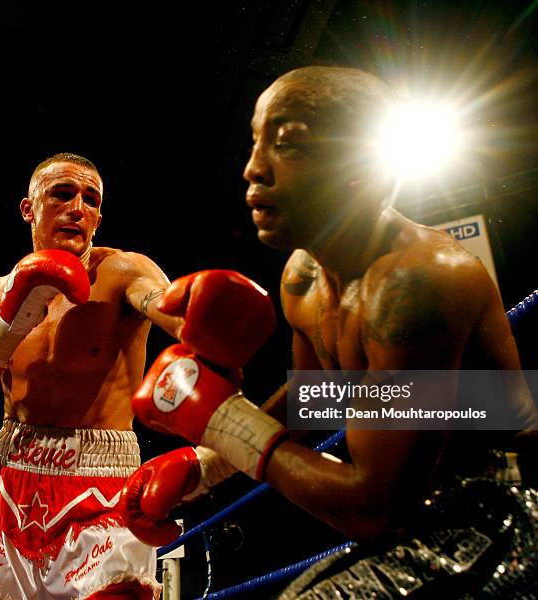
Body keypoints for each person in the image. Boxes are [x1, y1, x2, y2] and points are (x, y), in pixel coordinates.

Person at [125, 67, 538, 598]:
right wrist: (207, 467)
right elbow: (317, 401)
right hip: (420, 514)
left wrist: (223, 421)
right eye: (256, 143)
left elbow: (373, 510)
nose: (253, 170)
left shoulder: (418, 283)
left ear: (360, 166)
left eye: (289, 146)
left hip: (500, 509)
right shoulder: (304, 279)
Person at [0, 152, 188, 599]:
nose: (78, 208)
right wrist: (8, 324)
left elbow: (167, 306)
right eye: (63, 194)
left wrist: (202, 317)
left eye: (91, 200)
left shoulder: (123, 271)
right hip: (4, 486)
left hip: (102, 494)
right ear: (28, 208)